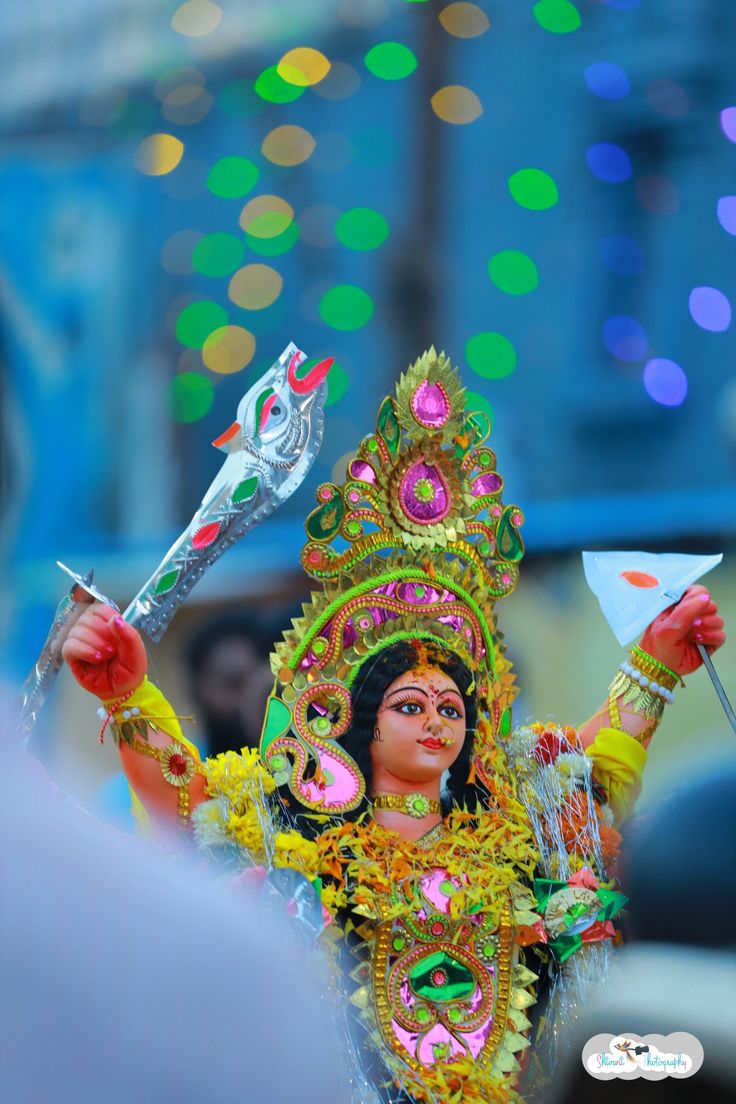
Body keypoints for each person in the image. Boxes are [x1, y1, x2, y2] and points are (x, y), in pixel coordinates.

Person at [61, 349, 725, 1103]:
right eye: (410, 707)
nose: (438, 722)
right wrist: (129, 698)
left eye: (451, 708)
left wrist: (657, 663)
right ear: (356, 725)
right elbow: (185, 805)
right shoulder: (296, 830)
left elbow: (594, 772)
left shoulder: (517, 814)